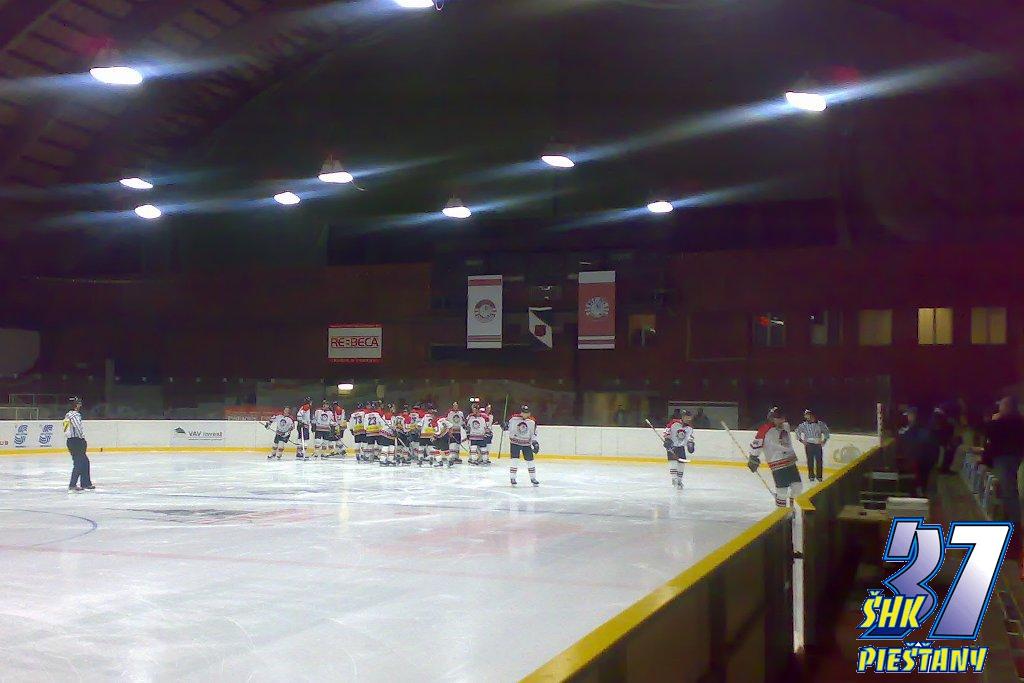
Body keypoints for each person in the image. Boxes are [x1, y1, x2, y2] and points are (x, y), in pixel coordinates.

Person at [982, 396, 1024, 558]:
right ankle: (1010, 530)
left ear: (1007, 407)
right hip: (1014, 457)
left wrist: (993, 421)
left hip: (1003, 459)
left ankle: (1012, 537)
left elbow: (990, 436)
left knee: (1008, 494)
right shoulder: (1019, 421)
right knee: (1008, 492)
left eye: (1001, 405)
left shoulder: (1002, 423)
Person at [748, 407, 803, 507]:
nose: (782, 420)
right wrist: (753, 457)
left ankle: (791, 508)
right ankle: (782, 512)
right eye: (778, 418)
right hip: (777, 464)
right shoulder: (765, 429)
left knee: (797, 487)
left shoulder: (786, 426)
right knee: (782, 491)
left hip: (790, 462)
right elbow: (756, 443)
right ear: (771, 418)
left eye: (782, 417)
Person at [63, 396, 93, 491]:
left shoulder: (68, 415)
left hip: (72, 441)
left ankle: (86, 483)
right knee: (79, 463)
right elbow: (77, 427)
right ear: (76, 405)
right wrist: (82, 438)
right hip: (76, 441)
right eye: (79, 403)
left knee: (84, 462)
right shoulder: (74, 415)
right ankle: (73, 484)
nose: (80, 405)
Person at [507, 404, 540, 486]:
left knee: (530, 461)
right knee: (515, 460)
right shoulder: (514, 419)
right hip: (515, 442)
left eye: (526, 413)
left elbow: (534, 434)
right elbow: (508, 427)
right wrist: (504, 426)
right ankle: (512, 477)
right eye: (523, 412)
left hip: (526, 444)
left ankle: (533, 478)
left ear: (529, 413)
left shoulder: (532, 422)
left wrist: (535, 443)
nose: (524, 414)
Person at [663, 410, 695, 490]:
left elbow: (689, 437)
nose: (688, 419)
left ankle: (679, 480)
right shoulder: (674, 423)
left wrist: (690, 443)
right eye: (687, 417)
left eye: (689, 417)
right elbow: (666, 431)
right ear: (683, 417)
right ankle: (674, 479)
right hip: (672, 446)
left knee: (682, 464)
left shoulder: (690, 428)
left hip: (681, 447)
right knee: (673, 462)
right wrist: (667, 439)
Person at [796, 408, 830, 483]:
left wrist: (824, 440)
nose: (807, 417)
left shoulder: (820, 424)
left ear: (812, 415)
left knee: (819, 461)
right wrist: (801, 440)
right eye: (806, 415)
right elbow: (797, 431)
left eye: (808, 415)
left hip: (818, 445)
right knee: (810, 461)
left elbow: (826, 432)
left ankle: (819, 476)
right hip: (809, 445)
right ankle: (811, 476)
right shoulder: (803, 425)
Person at [466, 402, 492, 466]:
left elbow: (487, 427)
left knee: (483, 449)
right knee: (473, 448)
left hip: (481, 436)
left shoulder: (484, 417)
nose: (474, 411)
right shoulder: (470, 417)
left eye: (475, 409)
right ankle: (473, 460)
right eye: (473, 409)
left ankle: (485, 460)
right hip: (473, 436)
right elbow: (468, 426)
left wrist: (486, 433)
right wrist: (468, 434)